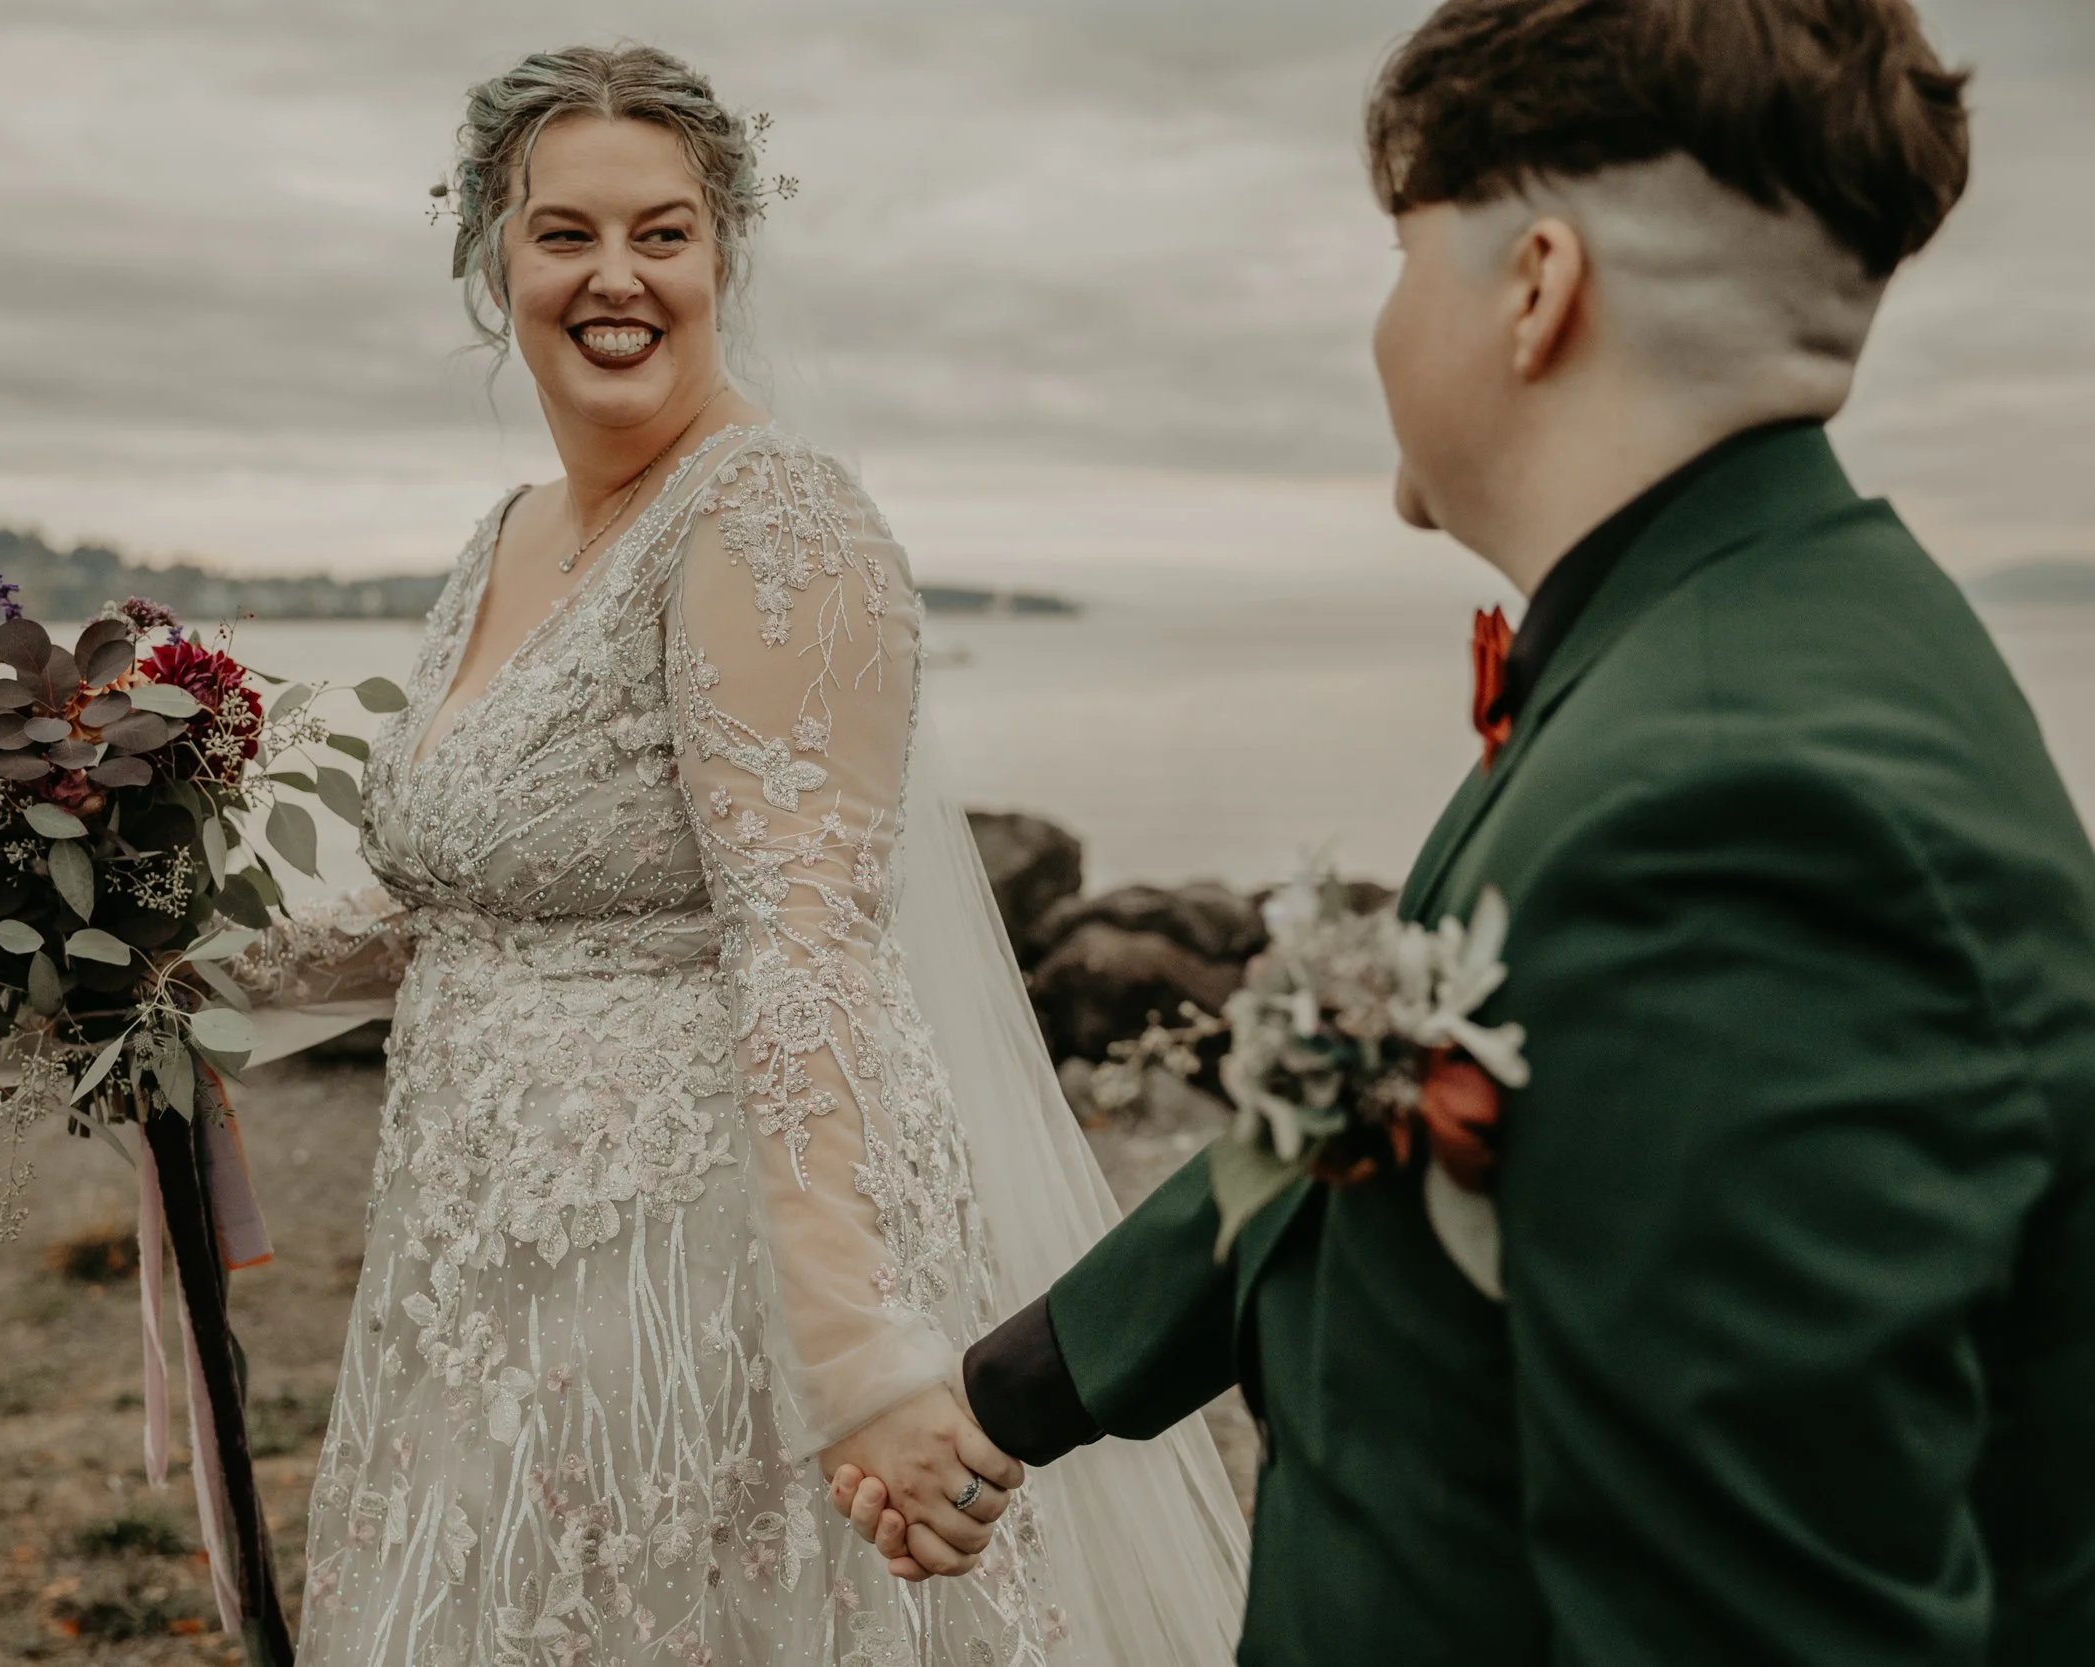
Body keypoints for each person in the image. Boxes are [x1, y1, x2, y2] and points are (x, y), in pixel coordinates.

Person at [836, 1, 2095, 1661]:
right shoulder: (1714, 652)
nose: (1380, 324)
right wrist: (1017, 1389)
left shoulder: (1735, 811)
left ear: (1536, 287)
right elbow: (1383, 1129)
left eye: (1401, 253)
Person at [240, 43, 1248, 1664]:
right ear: (491, 261)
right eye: (564, 232)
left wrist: (855, 1352)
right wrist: (147, 960)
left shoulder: (771, 522)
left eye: (665, 232)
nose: (616, 276)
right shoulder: (503, 537)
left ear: (725, 259)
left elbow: (810, 948)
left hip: (702, 1280)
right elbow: (458, 902)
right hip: (481, 1268)